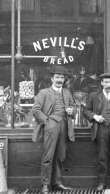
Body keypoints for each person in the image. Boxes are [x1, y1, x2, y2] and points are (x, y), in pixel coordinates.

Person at [32, 65, 77, 194]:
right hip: (51, 125)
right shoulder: (44, 92)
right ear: (52, 78)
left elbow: (74, 107)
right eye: (57, 77)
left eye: (62, 78)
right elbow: (35, 110)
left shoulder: (67, 92)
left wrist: (71, 110)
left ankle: (57, 183)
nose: (60, 80)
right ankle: (45, 185)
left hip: (64, 125)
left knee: (60, 156)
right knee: (48, 156)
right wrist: (47, 122)